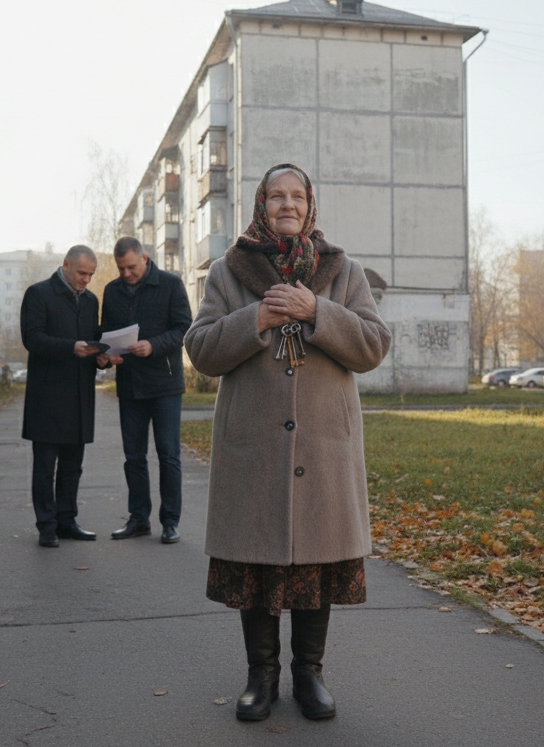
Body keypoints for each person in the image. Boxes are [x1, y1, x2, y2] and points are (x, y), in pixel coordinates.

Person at [183, 164, 391, 722]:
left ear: (310, 205)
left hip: (324, 444)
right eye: (277, 196)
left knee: (317, 560)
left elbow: (373, 345)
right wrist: (258, 316)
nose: (288, 204)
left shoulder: (341, 269)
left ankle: (310, 675)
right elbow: (200, 349)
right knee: (255, 564)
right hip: (252, 444)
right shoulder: (229, 271)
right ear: (261, 204)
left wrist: (316, 311)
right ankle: (261, 676)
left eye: (297, 195)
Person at [100, 237, 193, 544]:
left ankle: (170, 522)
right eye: (120, 268)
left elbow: (183, 328)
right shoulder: (112, 291)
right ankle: (139, 519)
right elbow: (106, 335)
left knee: (168, 456)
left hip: (165, 385)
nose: (126, 273)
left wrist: (153, 345)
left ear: (145, 257)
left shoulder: (170, 284)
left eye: (130, 266)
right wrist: (105, 355)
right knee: (134, 457)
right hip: (129, 386)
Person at [20, 245, 112, 548]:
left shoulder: (90, 301)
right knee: (45, 466)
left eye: (91, 275)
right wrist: (71, 347)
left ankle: (67, 520)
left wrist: (101, 357)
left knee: (73, 465)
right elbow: (32, 338)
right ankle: (46, 525)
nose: (86, 280)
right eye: (82, 273)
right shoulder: (38, 294)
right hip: (46, 396)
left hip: (79, 395)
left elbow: (92, 340)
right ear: (66, 265)